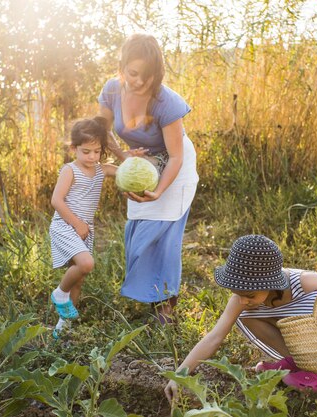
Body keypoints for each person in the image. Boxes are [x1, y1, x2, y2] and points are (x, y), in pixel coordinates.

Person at [164, 234, 317, 401]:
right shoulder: (241, 299)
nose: (242, 300)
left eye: (249, 295)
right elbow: (214, 337)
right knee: (247, 315)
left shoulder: (303, 281)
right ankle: (298, 362)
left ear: (271, 283)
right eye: (237, 292)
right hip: (298, 341)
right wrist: (179, 375)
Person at [98, 33, 199, 324]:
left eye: (148, 75)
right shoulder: (112, 90)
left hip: (173, 169)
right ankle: (152, 294)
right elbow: (102, 129)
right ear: (122, 66)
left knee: (163, 235)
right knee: (140, 235)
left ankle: (166, 308)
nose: (139, 81)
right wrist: (122, 157)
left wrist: (159, 190)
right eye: (133, 73)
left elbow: (176, 156)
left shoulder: (166, 102)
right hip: (142, 165)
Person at [49, 116, 117, 339]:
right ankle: (59, 293)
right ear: (74, 148)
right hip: (66, 224)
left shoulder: (99, 170)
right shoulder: (70, 170)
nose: (92, 157)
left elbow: (123, 169)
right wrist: (77, 223)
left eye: (97, 151)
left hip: (84, 229)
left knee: (78, 280)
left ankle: (63, 329)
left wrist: (129, 156)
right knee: (86, 264)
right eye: (86, 151)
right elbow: (56, 200)